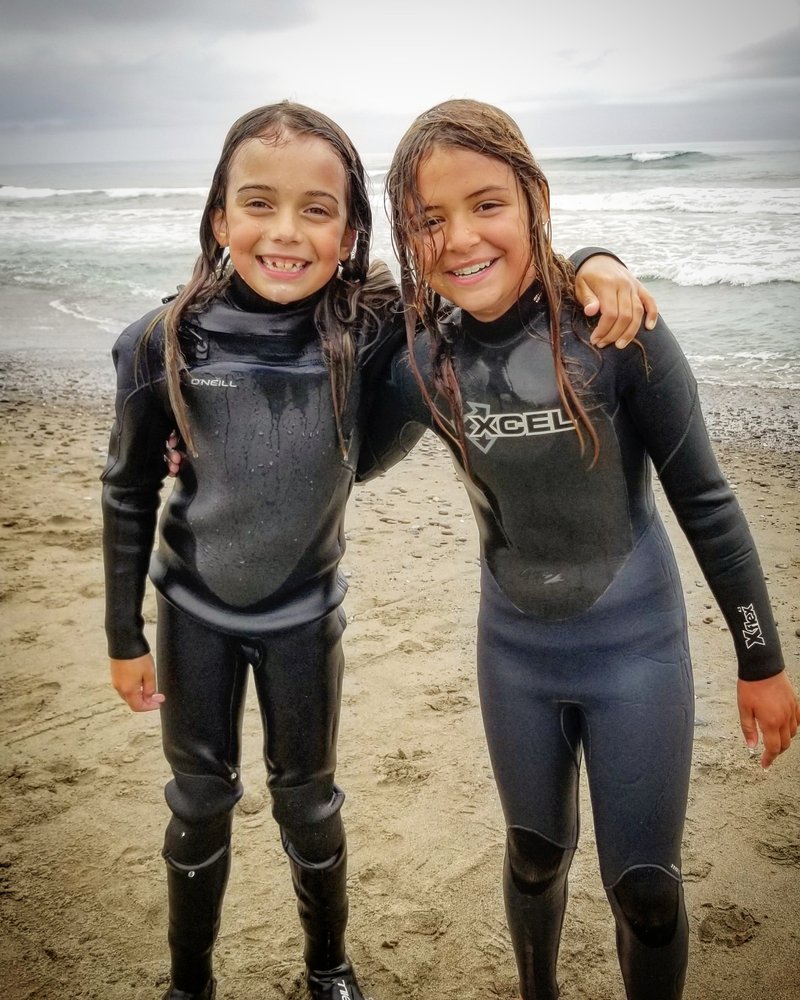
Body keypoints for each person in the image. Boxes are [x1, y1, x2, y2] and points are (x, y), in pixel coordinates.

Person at [101, 101, 652, 1000]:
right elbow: (126, 491)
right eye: (258, 204)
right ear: (219, 219)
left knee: (310, 804)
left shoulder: (374, 331)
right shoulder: (157, 344)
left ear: (352, 230)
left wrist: (595, 261)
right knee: (197, 804)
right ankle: (188, 984)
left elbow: (487, 277)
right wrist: (124, 635)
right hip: (192, 610)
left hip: (305, 616)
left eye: (316, 210)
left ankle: (329, 968)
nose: (286, 232)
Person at [356, 99, 800, 999]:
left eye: (488, 204)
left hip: (636, 649)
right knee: (532, 857)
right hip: (513, 651)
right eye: (430, 220)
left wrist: (761, 658)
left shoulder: (616, 335)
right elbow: (346, 460)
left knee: (646, 894)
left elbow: (706, 499)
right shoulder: (420, 363)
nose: (462, 237)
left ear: (535, 200)